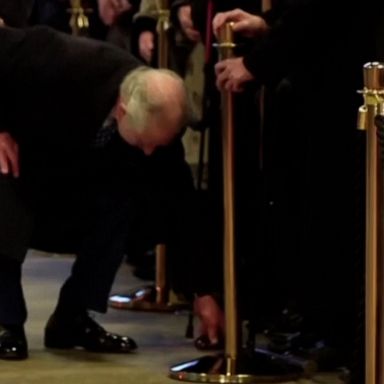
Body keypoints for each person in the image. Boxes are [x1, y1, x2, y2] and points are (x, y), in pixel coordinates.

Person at [0, 24, 191, 360]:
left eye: (156, 144)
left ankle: (72, 318)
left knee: (124, 200)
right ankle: (6, 322)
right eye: (145, 141)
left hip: (73, 175)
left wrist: (204, 292)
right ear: (122, 109)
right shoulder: (56, 58)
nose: (149, 151)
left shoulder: (160, 124)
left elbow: (182, 201)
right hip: (24, 154)